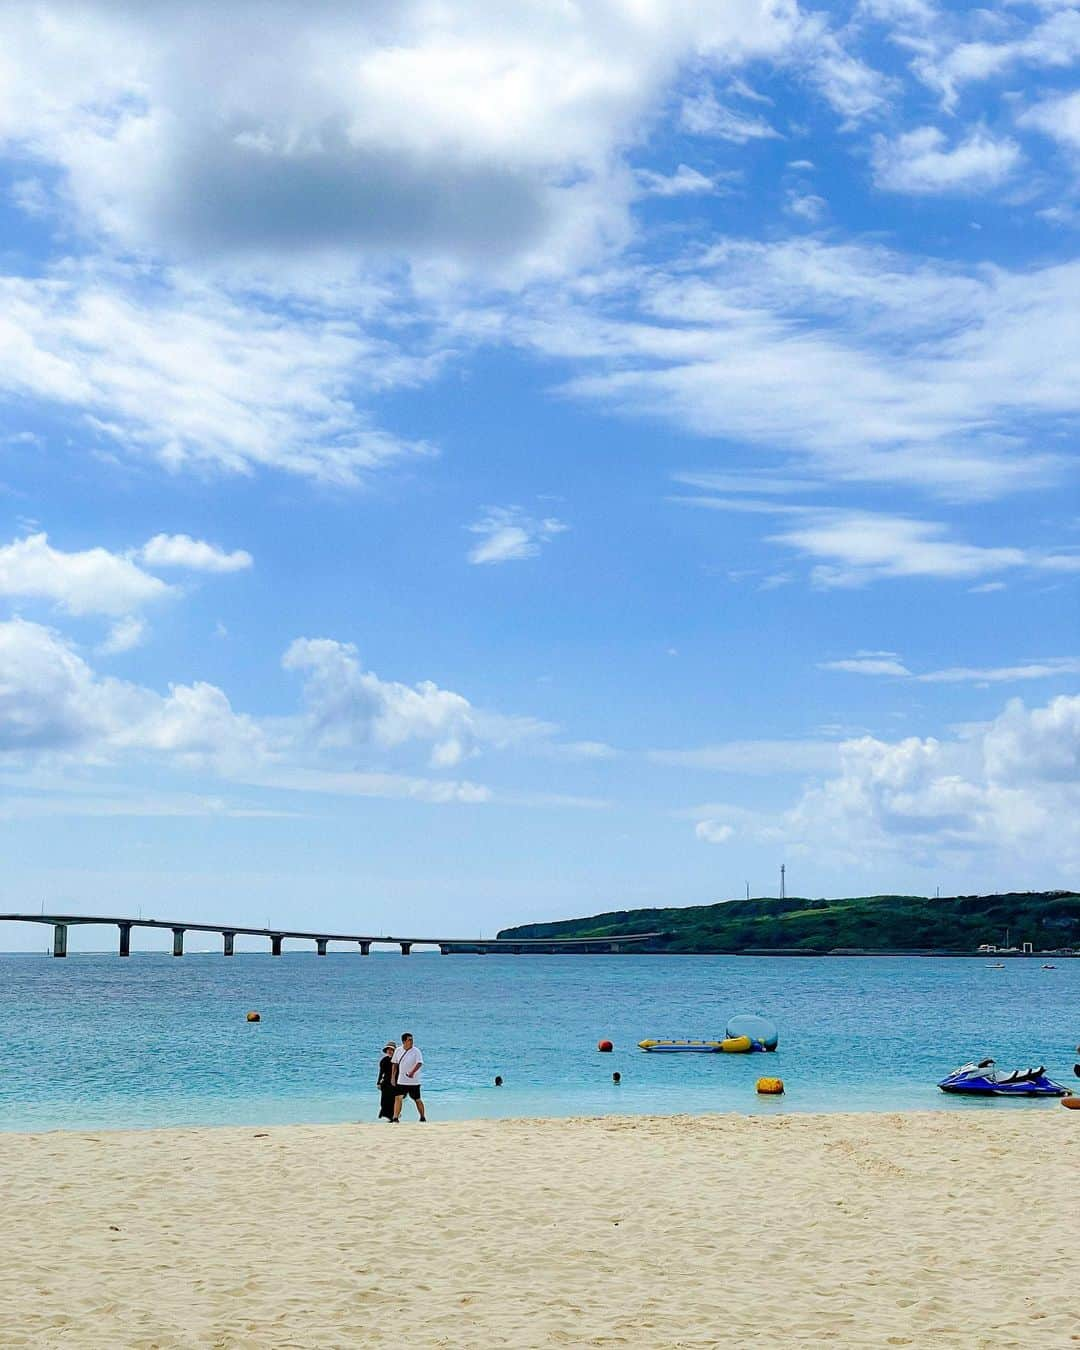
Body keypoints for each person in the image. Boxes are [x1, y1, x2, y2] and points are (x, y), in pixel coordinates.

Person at [392, 1031, 426, 1122]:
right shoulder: (398, 1050)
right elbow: (395, 1064)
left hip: (414, 1081)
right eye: (409, 1040)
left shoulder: (416, 1051)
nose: (411, 1041)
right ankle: (395, 1117)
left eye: (412, 1040)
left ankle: (422, 1117)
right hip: (401, 1080)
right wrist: (393, 1077)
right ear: (404, 1041)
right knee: (398, 1097)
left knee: (417, 1099)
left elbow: (419, 1063)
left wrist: (412, 1072)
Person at [377, 1040, 397, 1121]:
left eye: (391, 1050)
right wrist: (378, 1082)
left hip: (395, 1082)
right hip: (385, 1082)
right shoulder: (383, 1060)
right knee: (384, 1101)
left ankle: (393, 1116)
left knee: (393, 1100)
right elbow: (381, 1072)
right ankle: (388, 1116)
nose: (390, 1051)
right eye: (388, 1050)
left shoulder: (397, 1060)